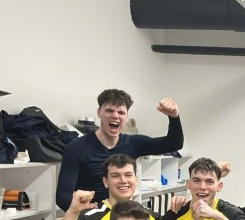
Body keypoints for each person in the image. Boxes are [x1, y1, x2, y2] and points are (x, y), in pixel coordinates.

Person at [56, 89, 184, 211]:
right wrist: (81, 209)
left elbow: (174, 144)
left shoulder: (133, 143)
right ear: (99, 112)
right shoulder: (77, 147)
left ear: (127, 116)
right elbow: (63, 195)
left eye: (121, 112)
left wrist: (174, 117)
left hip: (122, 215)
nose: (115, 116)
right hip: (90, 216)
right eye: (109, 111)